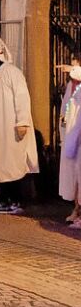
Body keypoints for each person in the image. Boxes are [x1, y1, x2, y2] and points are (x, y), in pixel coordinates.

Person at [0, 36, 39, 214]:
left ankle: (15, 201)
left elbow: (22, 98)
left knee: (12, 165)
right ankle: (3, 198)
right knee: (0, 166)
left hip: (12, 129)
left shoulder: (12, 72)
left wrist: (22, 122)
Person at [59, 60, 81, 222]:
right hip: (71, 137)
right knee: (73, 175)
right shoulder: (71, 87)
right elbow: (66, 108)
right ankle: (76, 209)